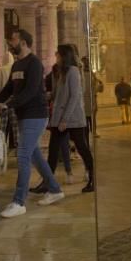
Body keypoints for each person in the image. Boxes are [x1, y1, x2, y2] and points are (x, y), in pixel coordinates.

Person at [0, 29, 64, 218]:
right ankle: (55, 189)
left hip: (36, 115)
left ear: (23, 42)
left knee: (23, 154)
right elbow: (9, 87)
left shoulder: (34, 64)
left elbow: (31, 91)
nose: (10, 42)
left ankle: (19, 202)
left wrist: (8, 105)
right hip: (23, 114)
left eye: (14, 39)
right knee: (34, 155)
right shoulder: (18, 64)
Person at [43, 44, 94, 193]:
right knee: (53, 150)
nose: (56, 57)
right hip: (61, 118)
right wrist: (49, 96)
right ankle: (48, 182)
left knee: (82, 148)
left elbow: (75, 97)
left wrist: (65, 119)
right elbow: (60, 93)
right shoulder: (63, 72)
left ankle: (92, 178)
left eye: (58, 54)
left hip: (72, 119)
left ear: (64, 56)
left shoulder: (73, 71)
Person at [0, 51, 19, 148]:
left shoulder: (0, 70)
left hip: (2, 102)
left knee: (2, 127)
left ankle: (1, 147)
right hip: (13, 101)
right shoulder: (15, 68)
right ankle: (16, 146)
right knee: (15, 127)